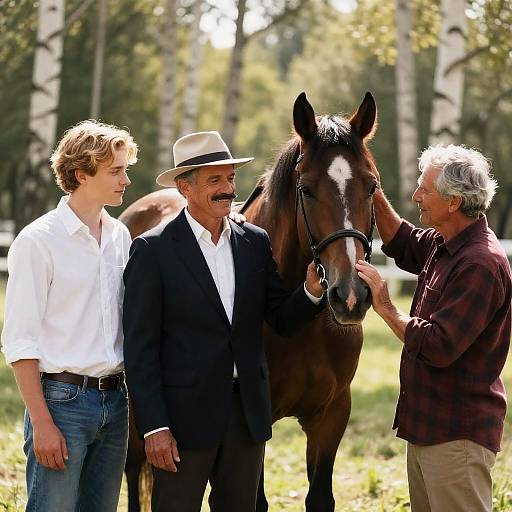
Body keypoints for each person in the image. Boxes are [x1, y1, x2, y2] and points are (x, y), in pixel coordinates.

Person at [123, 131, 324, 512]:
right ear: (185, 187)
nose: (227, 188)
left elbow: (281, 317)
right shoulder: (153, 250)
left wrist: (311, 292)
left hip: (246, 417)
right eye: (215, 180)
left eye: (230, 178)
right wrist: (154, 426)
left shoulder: (254, 242)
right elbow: (140, 349)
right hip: (182, 422)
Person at [356, 144, 511, 512]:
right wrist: (370, 189)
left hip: (456, 438)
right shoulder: (447, 242)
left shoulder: (479, 264)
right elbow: (403, 242)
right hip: (429, 429)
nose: (415, 197)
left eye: (424, 190)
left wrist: (386, 306)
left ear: (454, 201)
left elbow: (439, 345)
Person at [1, 120, 138, 511]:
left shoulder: (119, 237)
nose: (125, 180)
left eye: (125, 169)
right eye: (115, 171)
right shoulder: (37, 241)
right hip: (61, 404)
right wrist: (42, 423)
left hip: (115, 402)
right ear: (81, 174)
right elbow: (20, 342)